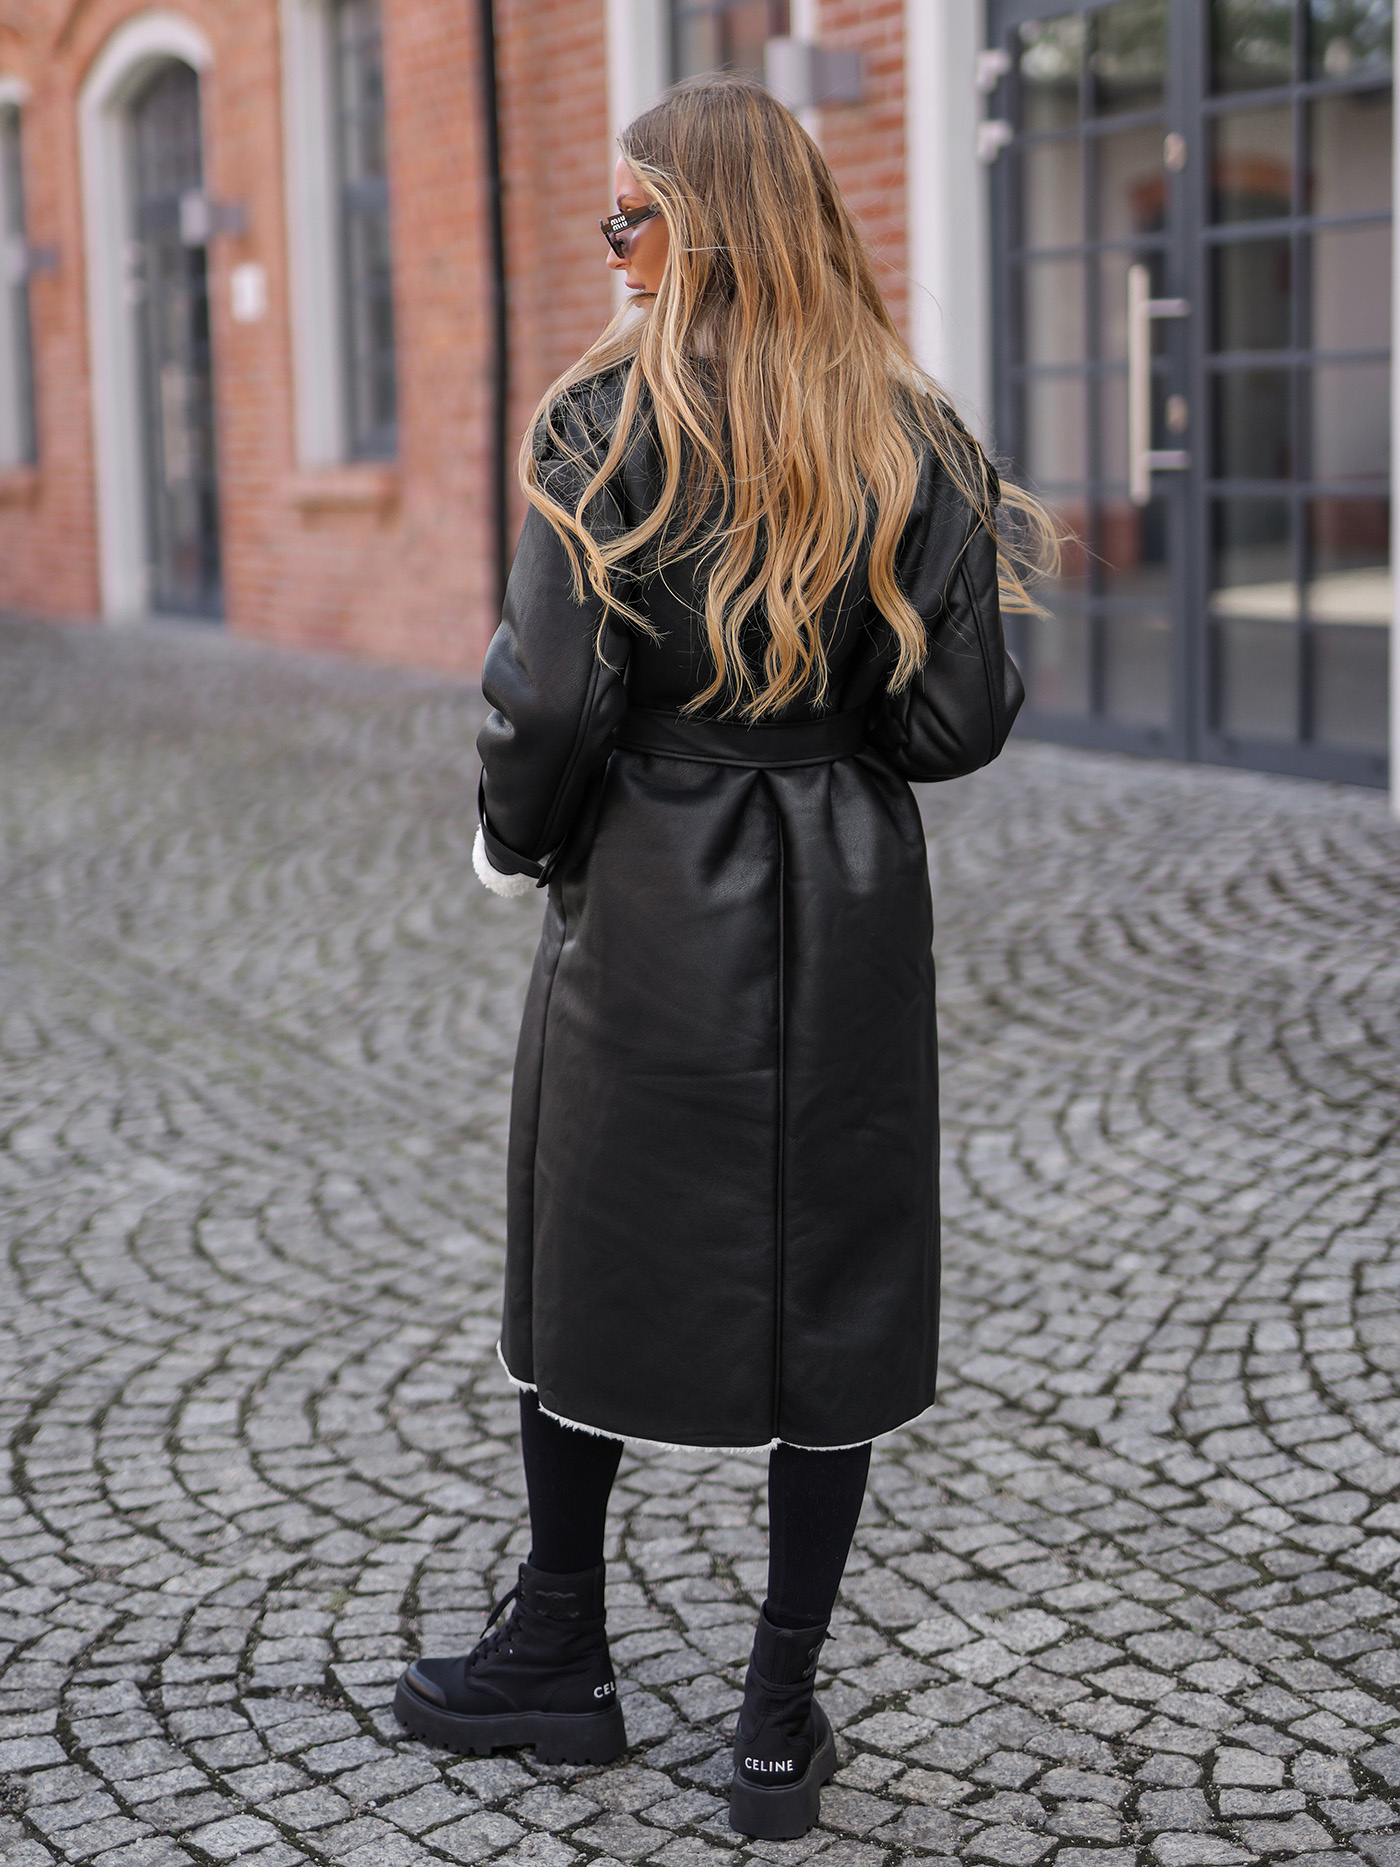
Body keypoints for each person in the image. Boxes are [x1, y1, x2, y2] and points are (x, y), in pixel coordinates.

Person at [395, 74, 1052, 1841]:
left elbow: (549, 702)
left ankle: (560, 1652)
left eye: (629, 219)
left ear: (701, 233)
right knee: (837, 1268)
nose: (610, 249)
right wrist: (827, 737)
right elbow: (958, 721)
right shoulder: (913, 430)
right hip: (846, 887)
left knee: (586, 1240)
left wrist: (513, 840)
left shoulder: (602, 423)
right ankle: (774, 1719)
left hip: (649, 888)